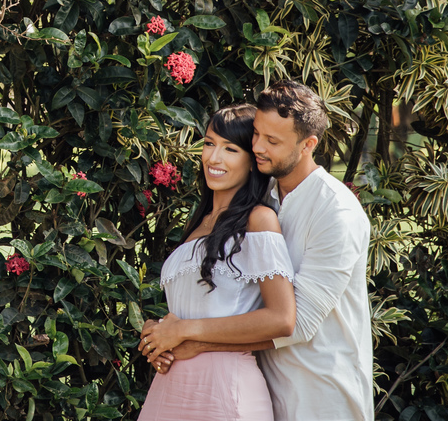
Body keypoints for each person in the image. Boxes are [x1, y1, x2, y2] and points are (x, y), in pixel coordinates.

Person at [146, 80, 374, 421]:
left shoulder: (335, 211)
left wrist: (191, 339)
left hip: (322, 394)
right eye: (256, 135)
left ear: (308, 145)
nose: (258, 148)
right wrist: (169, 337)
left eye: (273, 141)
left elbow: (298, 323)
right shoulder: (262, 195)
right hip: (263, 389)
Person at [136, 104, 296, 420]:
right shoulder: (200, 222)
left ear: (253, 161)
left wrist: (185, 331)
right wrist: (157, 335)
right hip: (170, 387)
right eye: (209, 144)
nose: (214, 158)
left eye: (230, 149)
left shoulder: (259, 220)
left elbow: (282, 320)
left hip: (225, 392)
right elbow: (195, 307)